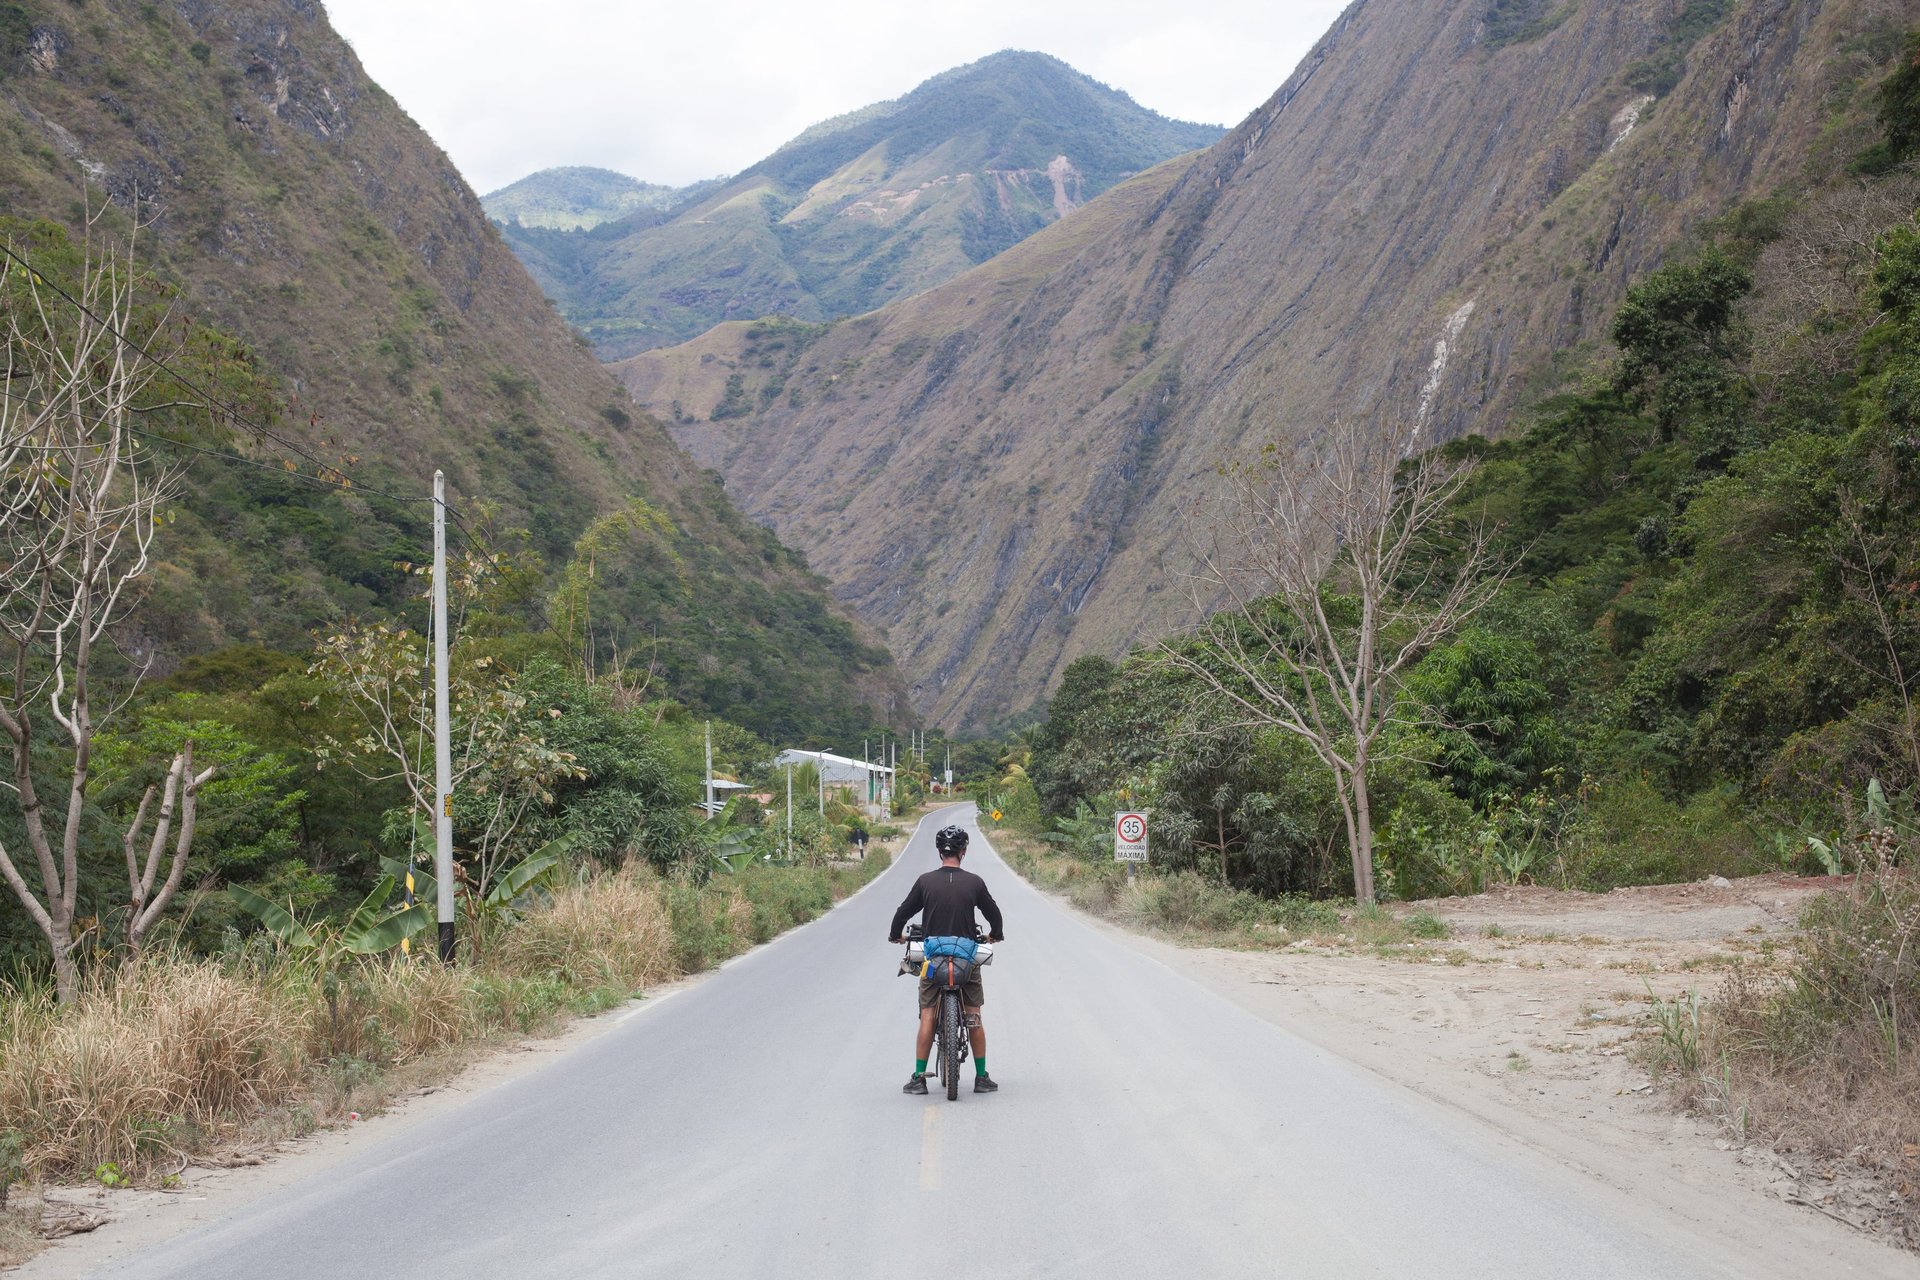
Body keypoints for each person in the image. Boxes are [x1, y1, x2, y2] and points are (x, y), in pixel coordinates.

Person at [888, 823, 1004, 1095]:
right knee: (974, 1015)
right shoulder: (975, 882)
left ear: (940, 852)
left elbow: (903, 911)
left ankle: (918, 1078)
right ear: (963, 852)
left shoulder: (925, 881)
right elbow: (994, 914)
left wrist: (896, 935)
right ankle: (981, 1077)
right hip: (966, 960)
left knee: (928, 1015)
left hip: (934, 960)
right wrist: (994, 935)